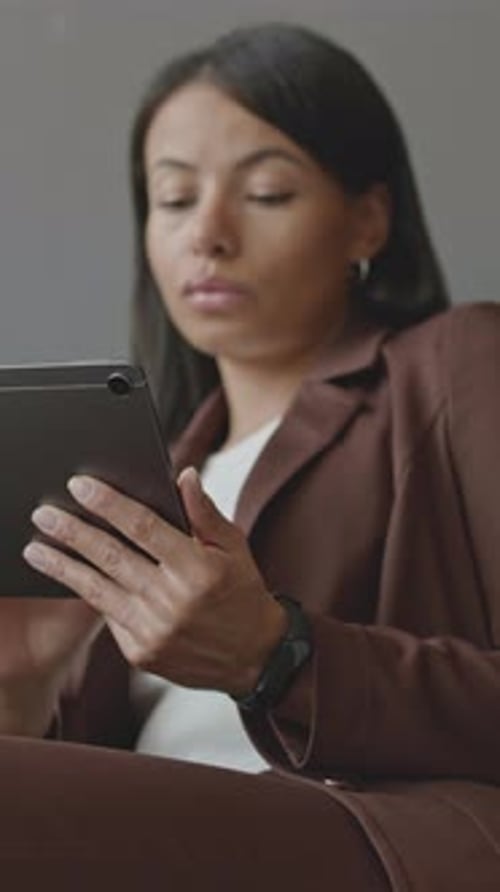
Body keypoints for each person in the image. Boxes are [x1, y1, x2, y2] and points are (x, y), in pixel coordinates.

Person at [1, 21, 499, 891]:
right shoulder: (148, 475)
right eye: (174, 198)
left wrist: (277, 655)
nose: (209, 234)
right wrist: (24, 687)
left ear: (368, 219)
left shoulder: (457, 365)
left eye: (266, 193)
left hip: (387, 835)